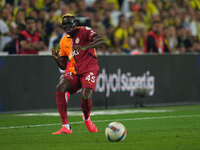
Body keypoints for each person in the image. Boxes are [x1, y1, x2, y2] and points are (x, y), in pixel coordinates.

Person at [52, 13, 105, 134]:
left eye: (70, 24)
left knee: (86, 95)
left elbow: (101, 41)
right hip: (75, 71)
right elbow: (64, 65)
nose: (67, 27)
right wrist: (56, 59)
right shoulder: (63, 41)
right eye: (65, 25)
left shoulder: (84, 31)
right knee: (60, 87)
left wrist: (86, 47)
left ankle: (86, 118)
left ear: (75, 24)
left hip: (90, 69)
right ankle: (65, 126)